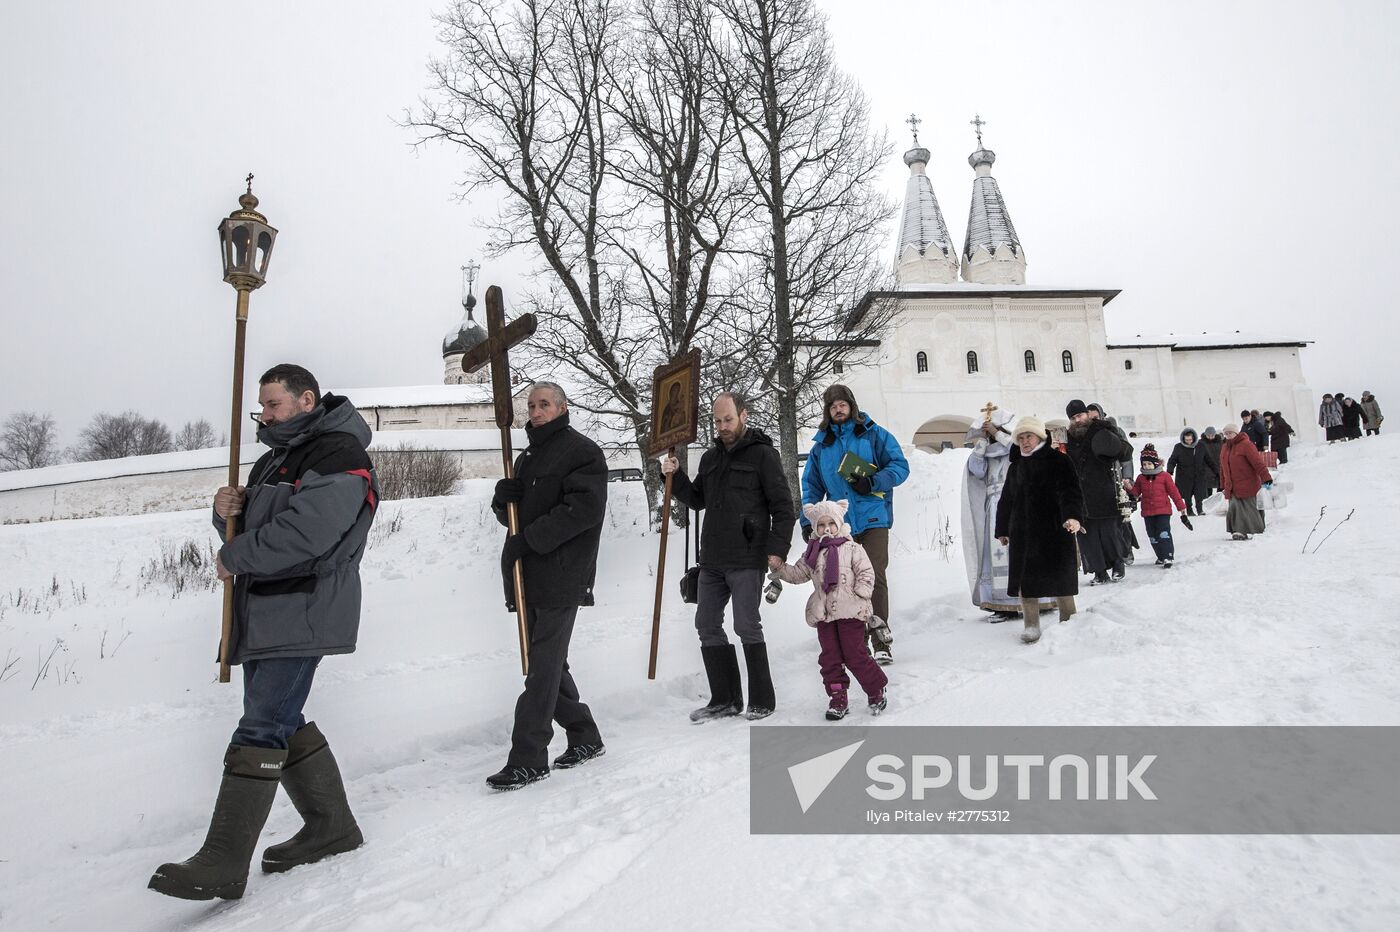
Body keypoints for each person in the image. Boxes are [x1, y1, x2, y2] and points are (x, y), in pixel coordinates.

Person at [150, 365, 379, 901]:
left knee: (262, 725)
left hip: (304, 605)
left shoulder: (339, 453)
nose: (265, 415)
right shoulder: (274, 459)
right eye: (261, 408)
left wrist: (235, 553)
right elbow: (254, 528)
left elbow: (309, 532)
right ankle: (332, 827)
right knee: (281, 716)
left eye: (273, 406)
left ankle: (224, 860)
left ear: (306, 400)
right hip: (266, 609)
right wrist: (225, 512)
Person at [486, 382, 607, 790]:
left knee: (540, 668)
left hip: (561, 572)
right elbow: (513, 520)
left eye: (543, 405)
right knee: (550, 664)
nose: (535, 412)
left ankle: (528, 757)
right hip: (527, 574)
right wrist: (504, 501)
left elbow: (582, 512)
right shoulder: (527, 458)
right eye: (531, 405)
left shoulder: (582, 452)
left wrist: (529, 540)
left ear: (561, 407)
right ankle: (585, 736)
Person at [662, 392, 795, 722]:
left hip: (747, 557)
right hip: (713, 559)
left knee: (746, 625)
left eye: (728, 419)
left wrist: (777, 550)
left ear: (743, 416)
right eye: (718, 421)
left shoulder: (763, 456)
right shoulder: (710, 459)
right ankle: (725, 699)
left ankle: (762, 699)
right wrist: (673, 475)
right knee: (706, 624)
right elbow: (696, 499)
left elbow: (783, 508)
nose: (723, 426)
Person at [800, 384, 908, 664]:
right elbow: (811, 487)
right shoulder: (821, 447)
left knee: (874, 577)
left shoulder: (873, 434)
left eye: (843, 403)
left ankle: (880, 640)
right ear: (827, 411)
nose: (838, 408)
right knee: (845, 583)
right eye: (833, 405)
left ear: (852, 405)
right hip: (840, 526)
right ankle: (857, 645)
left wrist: (872, 482)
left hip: (874, 517)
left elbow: (899, 466)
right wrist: (807, 521)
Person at [770, 499, 888, 719]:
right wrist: (780, 569)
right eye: (821, 525)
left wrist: (861, 593)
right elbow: (798, 574)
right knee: (830, 657)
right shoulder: (812, 552)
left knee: (855, 654)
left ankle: (876, 689)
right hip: (824, 614)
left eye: (830, 524)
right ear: (815, 528)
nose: (826, 529)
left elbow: (866, 572)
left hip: (851, 610)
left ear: (839, 523)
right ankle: (837, 696)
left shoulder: (853, 548)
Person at [993, 416, 1083, 644]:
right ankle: (1031, 625)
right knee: (1027, 581)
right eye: (1020, 438)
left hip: (1055, 528)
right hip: (1023, 532)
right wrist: (1003, 528)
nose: (1024, 441)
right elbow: (1006, 500)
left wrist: (1072, 517)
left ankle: (1069, 620)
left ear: (1040, 437)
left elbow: (1070, 491)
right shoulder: (1016, 467)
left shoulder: (1059, 461)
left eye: (1029, 437)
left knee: (1061, 578)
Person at [961, 407, 1053, 620]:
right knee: (996, 557)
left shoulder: (1018, 449)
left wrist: (996, 433)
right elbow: (976, 470)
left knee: (1024, 553)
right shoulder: (987, 451)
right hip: (995, 508)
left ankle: (1037, 599)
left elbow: (1017, 450)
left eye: (997, 430)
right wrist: (983, 441)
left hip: (1018, 504)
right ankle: (1002, 604)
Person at [1064, 399, 1131, 585]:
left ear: (1086, 414)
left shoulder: (1100, 429)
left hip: (1104, 489)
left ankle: (1118, 564)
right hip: (1081, 493)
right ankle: (1099, 571)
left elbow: (1121, 451)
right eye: (1073, 417)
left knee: (1110, 531)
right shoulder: (1068, 437)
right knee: (1088, 535)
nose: (1077, 420)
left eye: (1080, 415)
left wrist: (1108, 432)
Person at [1127, 445, 1191, 568]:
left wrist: (1181, 508)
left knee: (1163, 533)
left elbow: (1174, 493)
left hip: (1163, 511)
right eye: (1144, 464)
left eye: (1149, 464)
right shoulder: (1141, 478)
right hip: (1148, 512)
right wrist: (1129, 488)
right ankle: (1160, 556)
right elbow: (1136, 493)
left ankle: (1168, 556)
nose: (1146, 467)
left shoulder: (1164, 476)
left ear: (1156, 464)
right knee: (1152, 536)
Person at [1220, 423, 1271, 540]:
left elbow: (1258, 463)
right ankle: (1239, 531)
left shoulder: (1246, 445)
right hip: (1232, 485)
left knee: (1250, 508)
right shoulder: (1224, 447)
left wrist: (1266, 478)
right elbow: (1222, 467)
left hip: (1248, 483)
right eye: (1226, 434)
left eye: (1230, 433)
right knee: (1235, 508)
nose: (1228, 435)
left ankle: (1256, 529)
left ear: (1236, 433)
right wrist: (1223, 484)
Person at [1166, 428, 1215, 516]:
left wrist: (1216, 470)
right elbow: (1172, 460)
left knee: (1199, 493)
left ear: (1194, 438)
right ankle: (1189, 510)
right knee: (1187, 494)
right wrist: (1170, 470)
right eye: (1186, 440)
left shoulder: (1200, 446)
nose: (1189, 442)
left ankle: (1200, 510)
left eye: (1190, 440)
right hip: (1184, 475)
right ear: (1183, 439)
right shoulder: (1178, 447)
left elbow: (1208, 459)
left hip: (1198, 474)